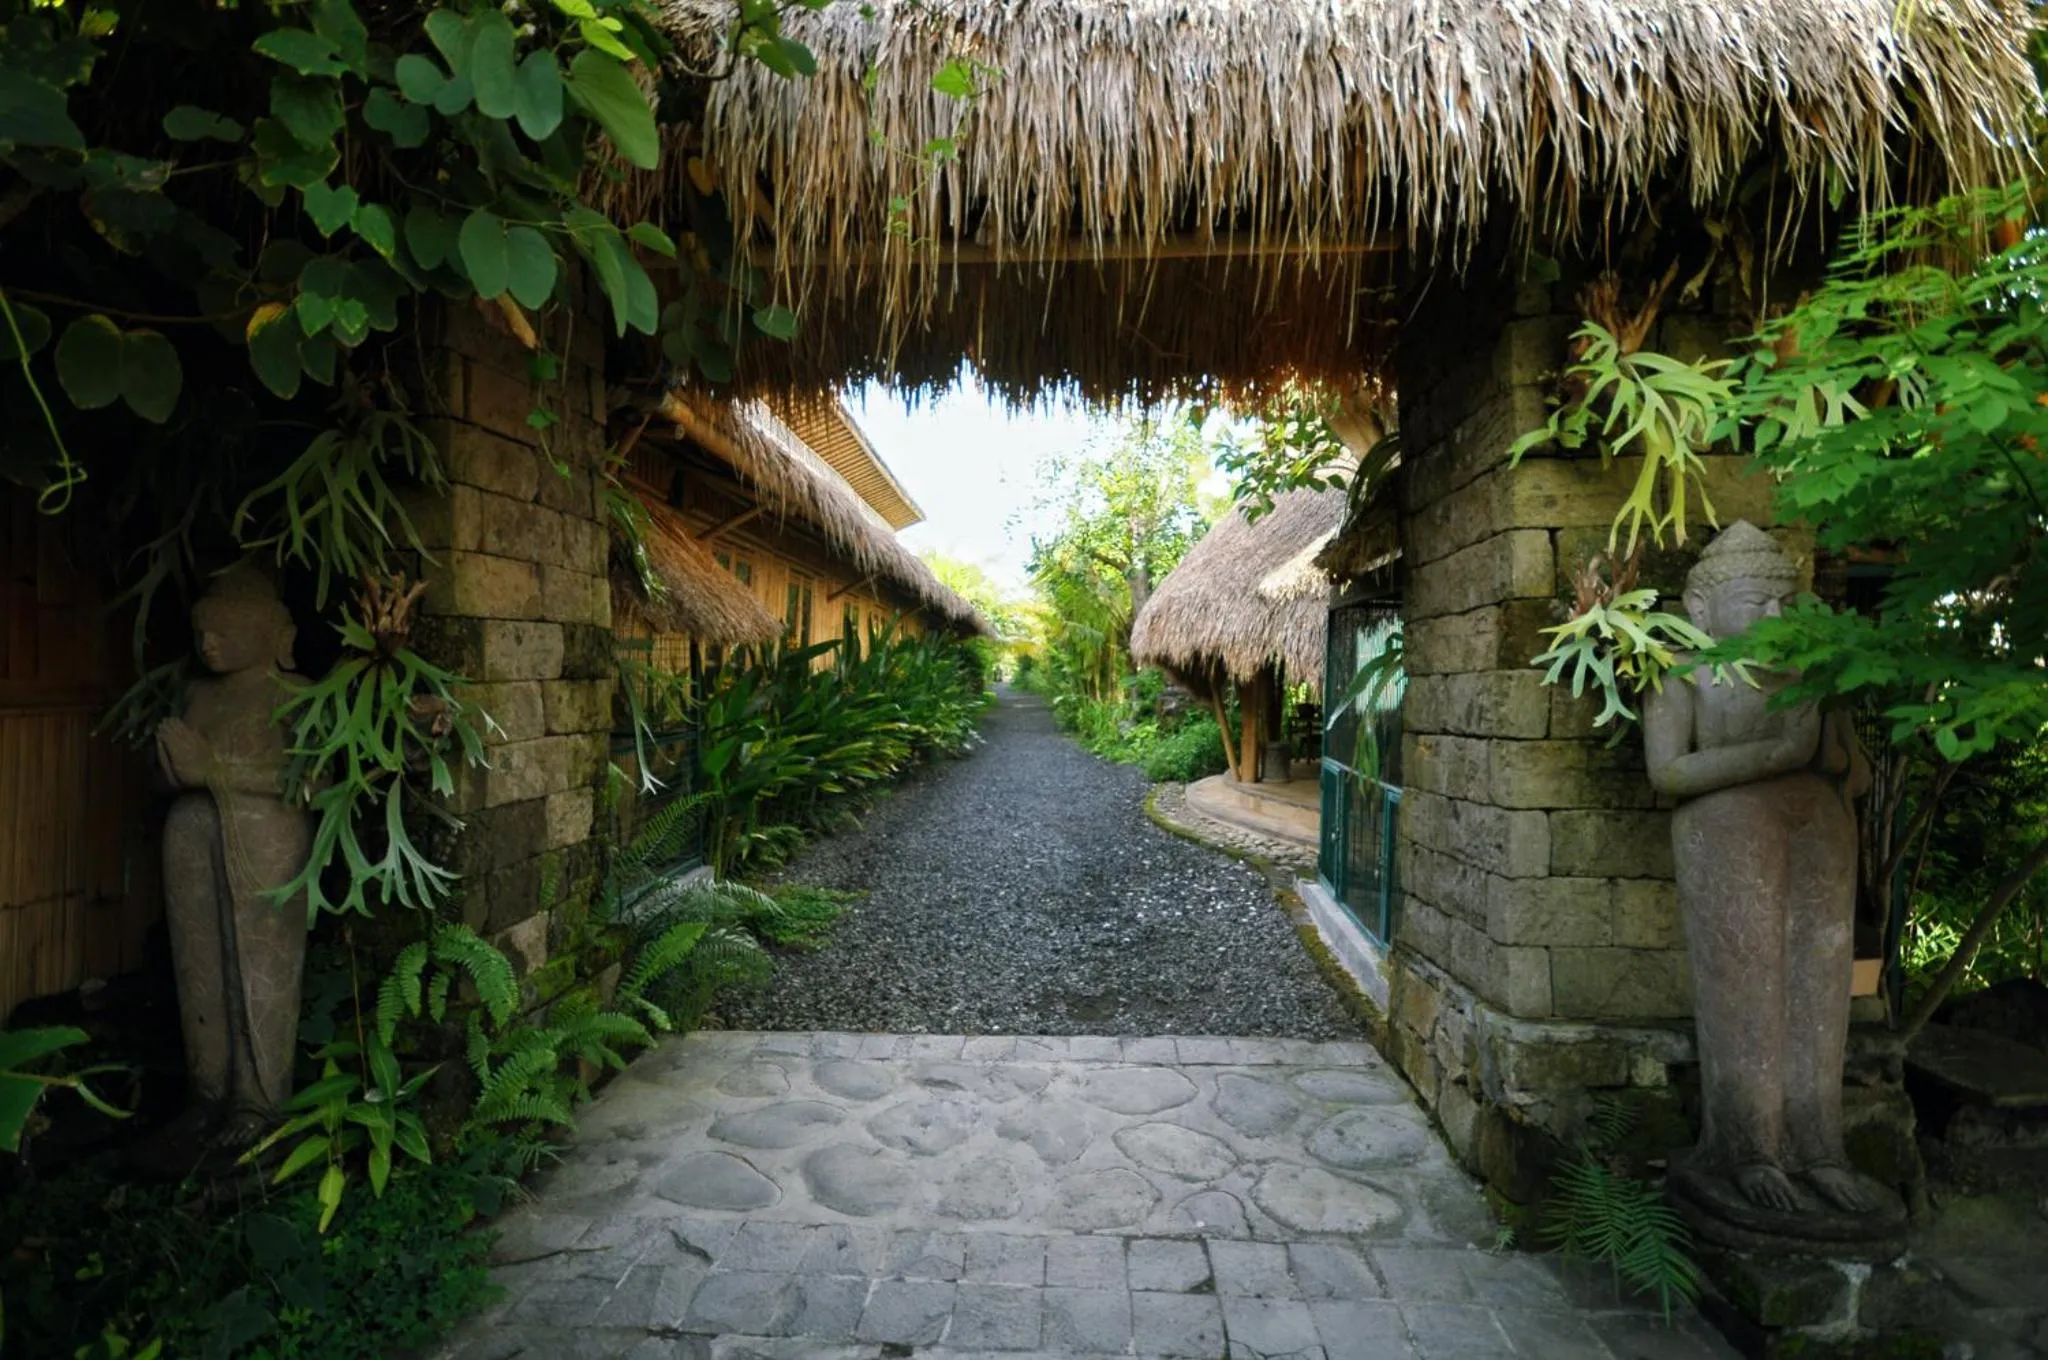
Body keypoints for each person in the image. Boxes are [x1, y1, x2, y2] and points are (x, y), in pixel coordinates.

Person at [1643, 522, 1877, 1219]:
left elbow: (1853, 772)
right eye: (1756, 602)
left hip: (1819, 829)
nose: (1774, 617)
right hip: (1726, 830)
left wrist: (1826, 744)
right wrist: (1776, 754)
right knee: (1745, 984)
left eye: (1785, 602)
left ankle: (1820, 1145)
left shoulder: (1811, 673)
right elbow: (1668, 771)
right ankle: (1749, 1146)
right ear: (1705, 609)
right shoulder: (1684, 672)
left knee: (1821, 984)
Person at [157, 564, 311, 1149]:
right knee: (198, 966)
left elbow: (312, 779)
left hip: (264, 841)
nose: (208, 644)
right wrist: (175, 770)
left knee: (258, 967)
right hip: (191, 835)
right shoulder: (197, 694)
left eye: (223, 631)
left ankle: (260, 1101)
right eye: (202, 632)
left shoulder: (292, 694)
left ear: (273, 636)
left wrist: (216, 771)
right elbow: (168, 778)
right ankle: (208, 1092)